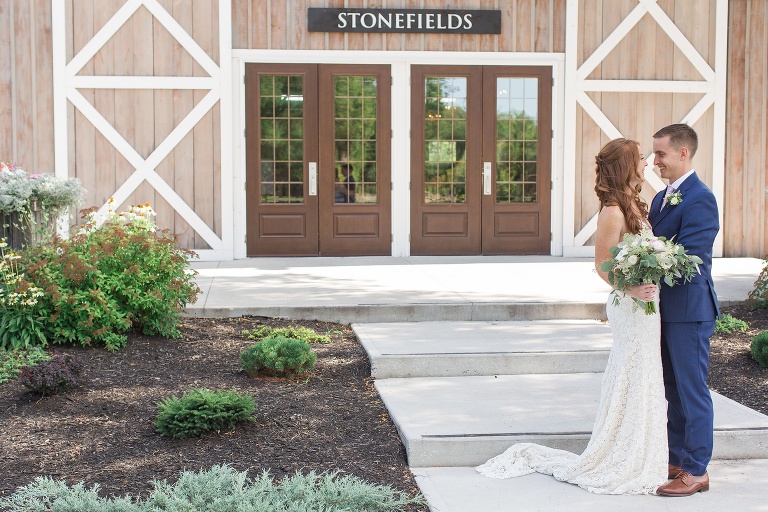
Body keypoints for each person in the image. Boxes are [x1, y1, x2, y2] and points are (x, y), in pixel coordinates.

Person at [476, 138, 667, 494]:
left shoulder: (634, 206)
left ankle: (641, 451)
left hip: (646, 306)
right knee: (632, 372)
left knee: (644, 374)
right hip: (631, 305)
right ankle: (621, 455)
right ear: (626, 165)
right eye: (640, 158)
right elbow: (601, 265)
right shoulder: (612, 211)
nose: (646, 162)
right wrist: (632, 290)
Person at [649, 124, 719, 497]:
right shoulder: (662, 199)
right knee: (673, 390)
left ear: (682, 154)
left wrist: (648, 259)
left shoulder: (700, 198)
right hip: (664, 309)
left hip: (690, 310)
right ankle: (677, 459)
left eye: (660, 153)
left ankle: (697, 470)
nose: (654, 160)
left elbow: (691, 256)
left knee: (692, 391)